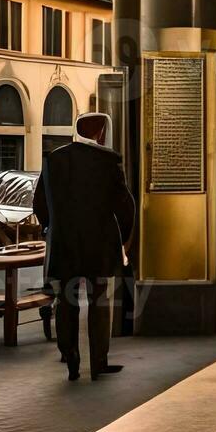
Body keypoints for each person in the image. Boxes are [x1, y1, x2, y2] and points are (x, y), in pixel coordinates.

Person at [33, 112, 134, 381]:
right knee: (99, 300)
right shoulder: (109, 160)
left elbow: (40, 201)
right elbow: (124, 204)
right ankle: (98, 361)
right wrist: (124, 238)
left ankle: (71, 359)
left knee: (66, 300)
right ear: (100, 133)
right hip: (100, 243)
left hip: (64, 241)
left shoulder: (54, 159)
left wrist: (49, 228)